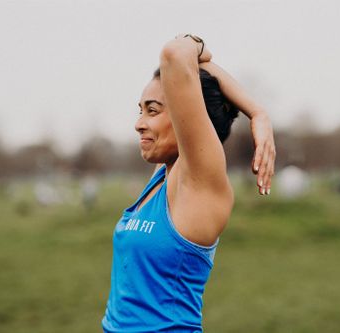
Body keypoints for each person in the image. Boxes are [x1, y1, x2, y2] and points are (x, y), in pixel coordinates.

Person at [101, 34, 276, 332]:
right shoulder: (163, 176)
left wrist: (257, 111)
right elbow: (185, 65)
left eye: (152, 110)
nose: (139, 122)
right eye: (140, 110)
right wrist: (256, 112)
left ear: (188, 117)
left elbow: (175, 54)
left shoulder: (199, 181)